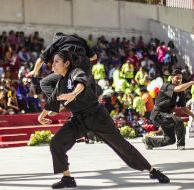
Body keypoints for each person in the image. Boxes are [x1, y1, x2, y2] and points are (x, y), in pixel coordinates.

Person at [38, 50, 169, 189]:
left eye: (56, 61)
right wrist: (42, 115)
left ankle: (152, 170)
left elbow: (81, 83)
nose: (53, 65)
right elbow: (52, 101)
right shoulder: (60, 83)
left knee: (121, 146)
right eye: (53, 62)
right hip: (79, 120)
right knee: (56, 143)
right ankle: (67, 178)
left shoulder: (76, 72)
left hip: (97, 117)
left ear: (67, 63)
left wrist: (73, 94)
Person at [143, 69, 194, 150]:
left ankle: (149, 141)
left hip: (166, 115)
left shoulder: (181, 92)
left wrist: (193, 115)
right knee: (178, 121)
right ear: (171, 77)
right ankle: (181, 145)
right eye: (177, 78)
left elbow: (183, 107)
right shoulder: (166, 85)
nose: (179, 80)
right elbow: (177, 89)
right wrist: (191, 82)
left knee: (170, 140)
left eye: (180, 78)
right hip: (158, 114)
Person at [26, 32, 97, 98]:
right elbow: (94, 57)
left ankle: (59, 101)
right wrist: (82, 59)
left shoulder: (57, 41)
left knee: (45, 83)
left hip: (70, 67)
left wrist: (35, 71)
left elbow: (41, 59)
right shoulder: (79, 39)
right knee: (82, 86)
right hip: (86, 67)